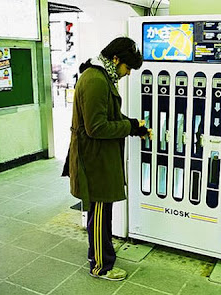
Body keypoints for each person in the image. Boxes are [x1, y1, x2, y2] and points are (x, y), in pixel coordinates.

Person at [68, 37, 151, 281]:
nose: (127, 74)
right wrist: (129, 126)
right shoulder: (95, 80)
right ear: (116, 59)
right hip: (94, 160)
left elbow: (110, 115)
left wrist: (135, 126)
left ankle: (98, 255)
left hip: (99, 156)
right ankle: (100, 266)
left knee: (101, 212)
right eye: (127, 68)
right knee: (100, 213)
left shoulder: (102, 76)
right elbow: (96, 127)